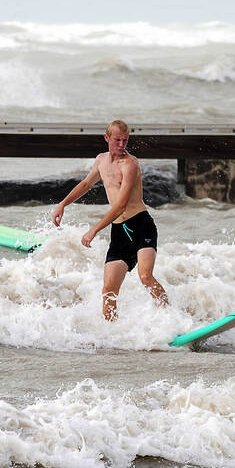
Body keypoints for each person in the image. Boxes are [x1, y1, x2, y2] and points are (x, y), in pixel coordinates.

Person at [51, 119, 169, 321]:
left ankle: (169, 315)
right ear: (107, 138)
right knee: (108, 290)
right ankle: (111, 331)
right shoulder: (101, 160)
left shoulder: (130, 165)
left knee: (145, 276)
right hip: (120, 232)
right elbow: (87, 183)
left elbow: (121, 205)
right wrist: (63, 204)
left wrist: (94, 230)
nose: (122, 145)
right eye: (117, 140)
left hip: (141, 226)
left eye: (125, 140)